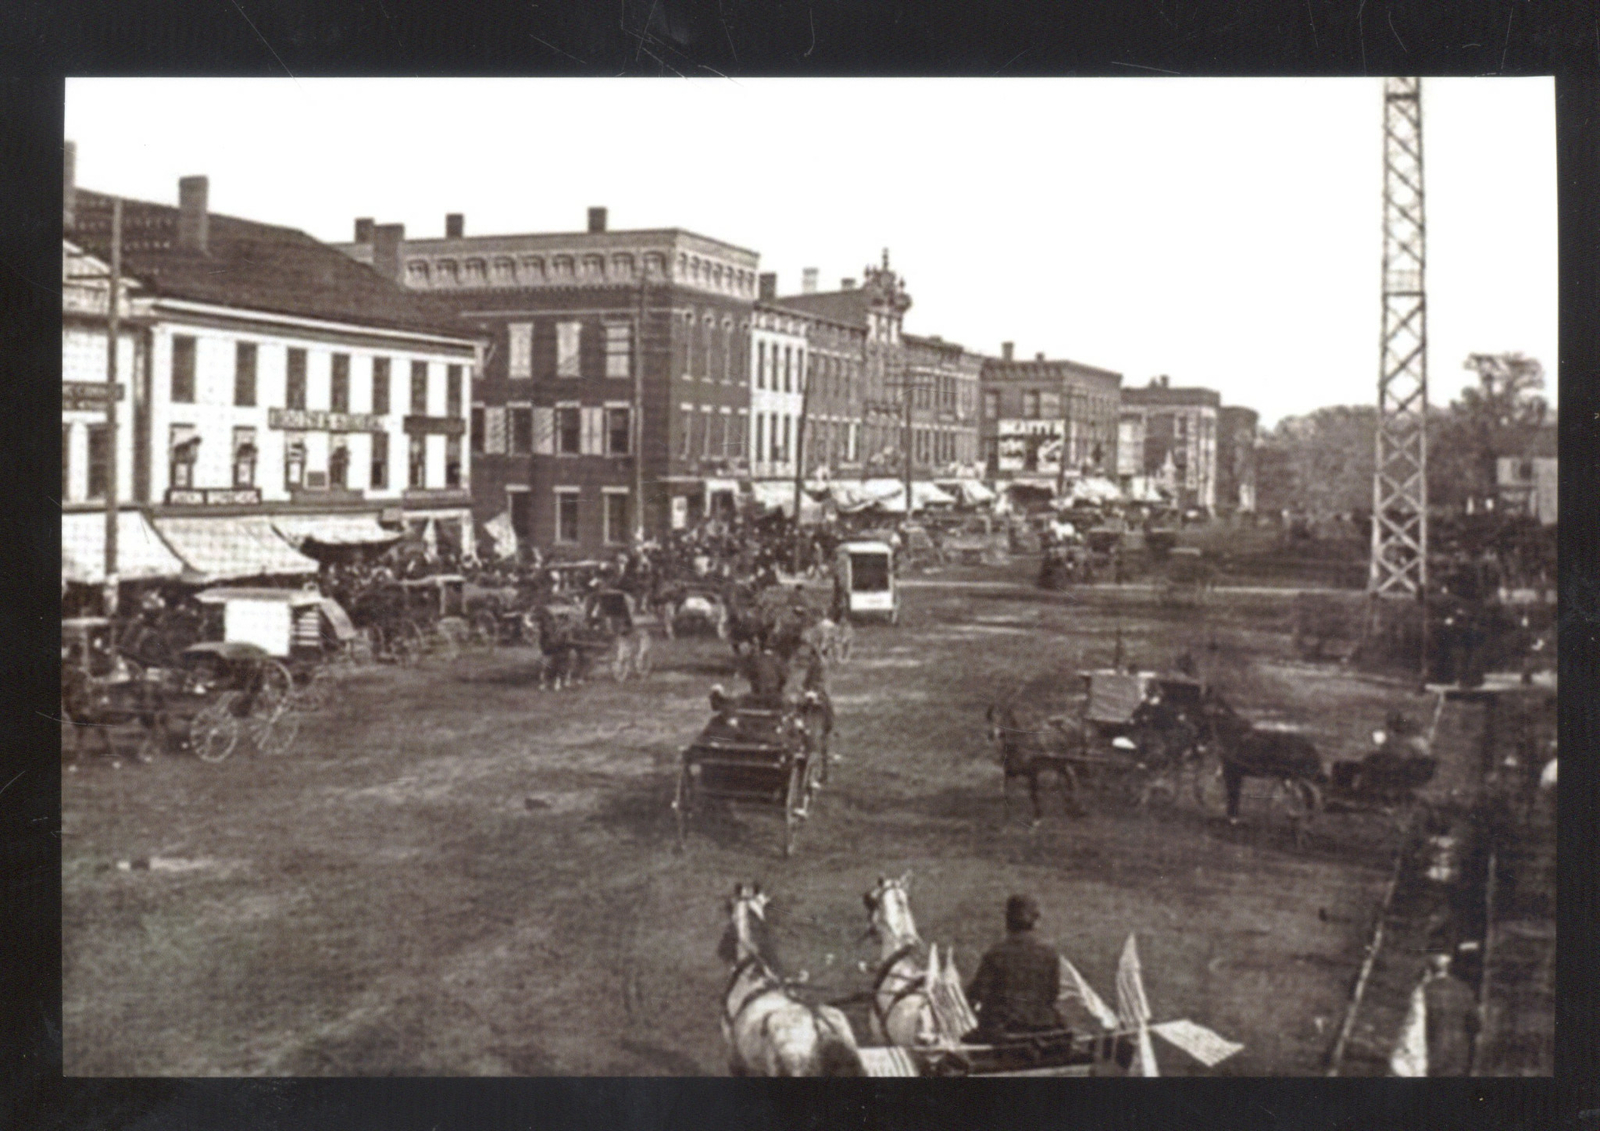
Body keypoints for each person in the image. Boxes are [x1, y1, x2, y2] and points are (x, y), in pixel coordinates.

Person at [964, 895, 1065, 1043]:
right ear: (1036, 922)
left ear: (1007, 921)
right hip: (1042, 1025)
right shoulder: (1050, 954)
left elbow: (977, 993)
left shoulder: (995, 954)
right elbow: (1053, 993)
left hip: (1004, 1029)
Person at [1422, 952, 1480, 1076]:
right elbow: (1475, 1022)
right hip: (1459, 1050)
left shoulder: (1426, 990)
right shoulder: (1463, 989)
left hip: (1434, 1050)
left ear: (1429, 968)